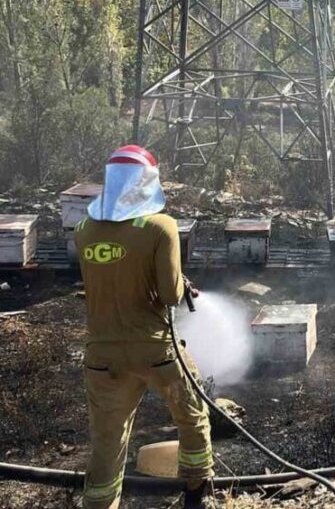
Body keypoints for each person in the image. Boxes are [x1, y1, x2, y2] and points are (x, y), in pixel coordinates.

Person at [75, 145, 213, 509]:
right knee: (192, 415)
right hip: (156, 352)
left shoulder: (84, 229)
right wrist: (182, 283)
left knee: (107, 440)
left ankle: (100, 503)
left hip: (101, 357)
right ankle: (196, 494)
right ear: (147, 182)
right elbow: (170, 294)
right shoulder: (159, 226)